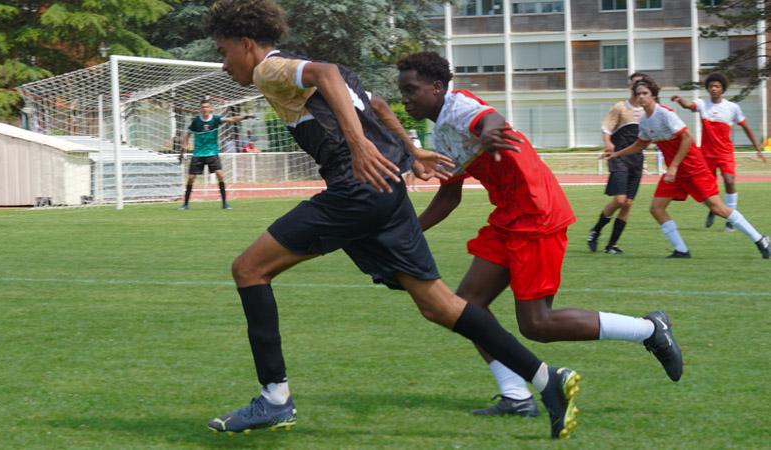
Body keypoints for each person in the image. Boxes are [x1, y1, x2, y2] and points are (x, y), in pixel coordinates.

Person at [205, 0, 581, 440]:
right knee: (439, 305)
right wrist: (412, 149)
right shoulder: (312, 74)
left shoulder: (271, 69)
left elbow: (325, 74)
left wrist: (359, 146)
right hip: (386, 190)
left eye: (224, 50)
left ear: (247, 44)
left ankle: (273, 400)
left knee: (249, 269)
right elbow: (378, 105)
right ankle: (546, 381)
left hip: (357, 187)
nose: (223, 62)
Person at [396, 52, 684, 418]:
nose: (405, 98)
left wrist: (489, 133)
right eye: (402, 91)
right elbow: (450, 196)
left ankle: (647, 329)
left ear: (437, 87)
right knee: (467, 307)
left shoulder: (458, 106)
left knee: (538, 325)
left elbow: (491, 120)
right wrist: (408, 234)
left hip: (536, 210)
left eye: (411, 90)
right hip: (509, 216)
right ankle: (516, 396)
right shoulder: (440, 132)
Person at [607, 78, 770, 258]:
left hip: (693, 168)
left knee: (718, 209)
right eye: (638, 94)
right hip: (675, 173)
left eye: (645, 93)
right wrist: (616, 154)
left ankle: (760, 239)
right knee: (656, 209)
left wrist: (674, 167)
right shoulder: (645, 121)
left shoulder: (665, 114)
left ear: (653, 95)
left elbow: (687, 138)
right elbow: (640, 144)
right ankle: (681, 250)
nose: (641, 97)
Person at [670, 73, 767, 231]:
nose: (714, 89)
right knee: (707, 188)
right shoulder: (702, 104)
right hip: (706, 154)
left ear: (722, 89)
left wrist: (758, 149)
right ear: (707, 89)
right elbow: (689, 105)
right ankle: (713, 209)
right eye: (711, 86)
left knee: (729, 180)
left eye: (717, 86)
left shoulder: (732, 107)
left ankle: (731, 219)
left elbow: (746, 127)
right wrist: (679, 100)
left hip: (725, 153)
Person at [587, 73, 650, 255]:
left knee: (628, 204)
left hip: (636, 160)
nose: (639, 88)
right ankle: (596, 230)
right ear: (631, 85)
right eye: (636, 83)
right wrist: (608, 144)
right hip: (619, 157)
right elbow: (606, 128)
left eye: (643, 85)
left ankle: (611, 245)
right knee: (620, 200)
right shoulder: (620, 107)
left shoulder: (648, 111)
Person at [178, 99, 253, 210]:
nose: (205, 109)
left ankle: (224, 203)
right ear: (200, 109)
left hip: (212, 153)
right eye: (203, 107)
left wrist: (244, 117)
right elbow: (187, 135)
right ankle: (185, 204)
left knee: (220, 175)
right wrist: (182, 152)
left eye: (207, 107)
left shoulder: (216, 119)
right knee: (190, 178)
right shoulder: (196, 121)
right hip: (198, 153)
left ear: (210, 108)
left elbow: (231, 119)